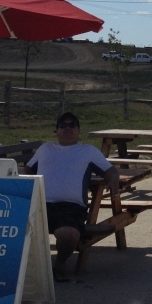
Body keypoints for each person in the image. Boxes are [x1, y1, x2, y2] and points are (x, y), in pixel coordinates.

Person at [25, 112, 120, 281]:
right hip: (40, 203)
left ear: (78, 130)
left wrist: (113, 182)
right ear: (56, 130)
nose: (67, 129)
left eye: (72, 125)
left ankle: (60, 264)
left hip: (71, 207)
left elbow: (110, 171)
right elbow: (27, 170)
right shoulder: (45, 148)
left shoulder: (88, 151)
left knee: (68, 234)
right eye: (63, 125)